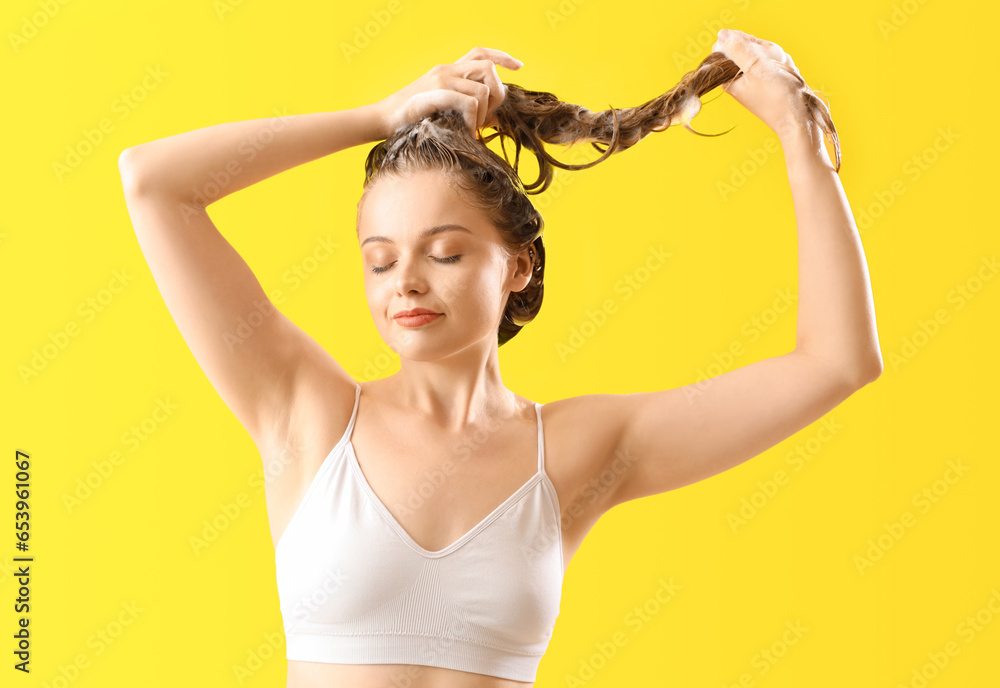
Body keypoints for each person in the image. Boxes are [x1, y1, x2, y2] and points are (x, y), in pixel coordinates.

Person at [117, 29, 881, 688]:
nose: (406, 281)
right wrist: (374, 120)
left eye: (444, 252)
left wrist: (798, 136)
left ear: (518, 266)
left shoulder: (579, 452)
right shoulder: (305, 411)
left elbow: (836, 361)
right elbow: (153, 184)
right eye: (379, 261)